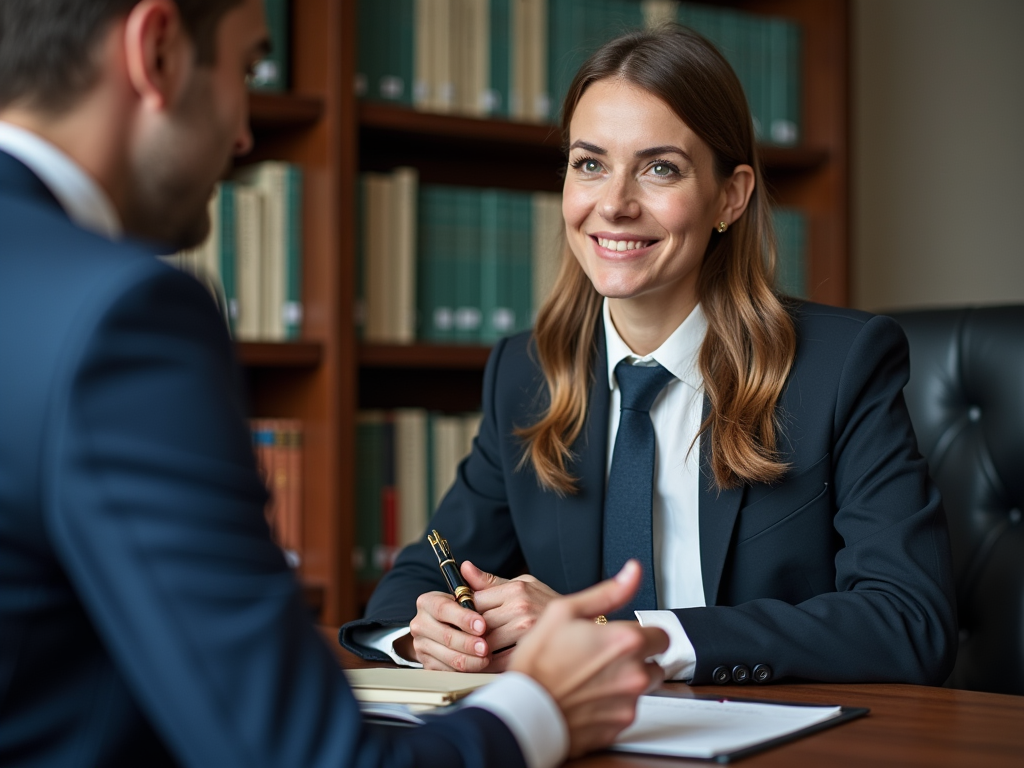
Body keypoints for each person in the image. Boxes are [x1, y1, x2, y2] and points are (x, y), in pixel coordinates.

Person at [0, 1, 670, 766]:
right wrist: (540, 709)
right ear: (156, 52)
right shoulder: (122, 312)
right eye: (248, 69)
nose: (246, 134)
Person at [343, 25, 958, 687]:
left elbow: (908, 619)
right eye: (590, 164)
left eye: (659, 168)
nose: (614, 203)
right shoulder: (526, 375)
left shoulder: (840, 367)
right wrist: (428, 634)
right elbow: (417, 577)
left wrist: (627, 640)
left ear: (731, 195)